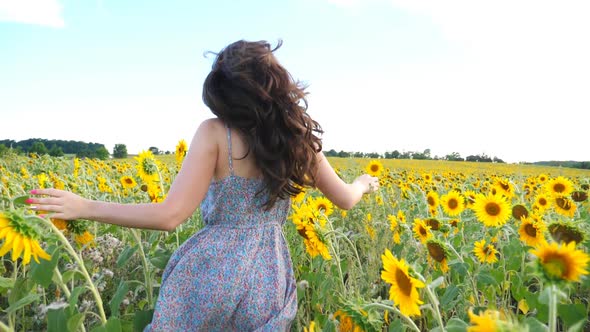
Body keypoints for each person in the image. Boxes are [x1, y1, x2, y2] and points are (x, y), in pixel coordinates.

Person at [29, 39, 380, 331]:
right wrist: (363, 182)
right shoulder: (296, 139)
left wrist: (84, 206)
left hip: (211, 270)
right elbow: (346, 199)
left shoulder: (215, 133)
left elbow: (170, 216)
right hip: (268, 276)